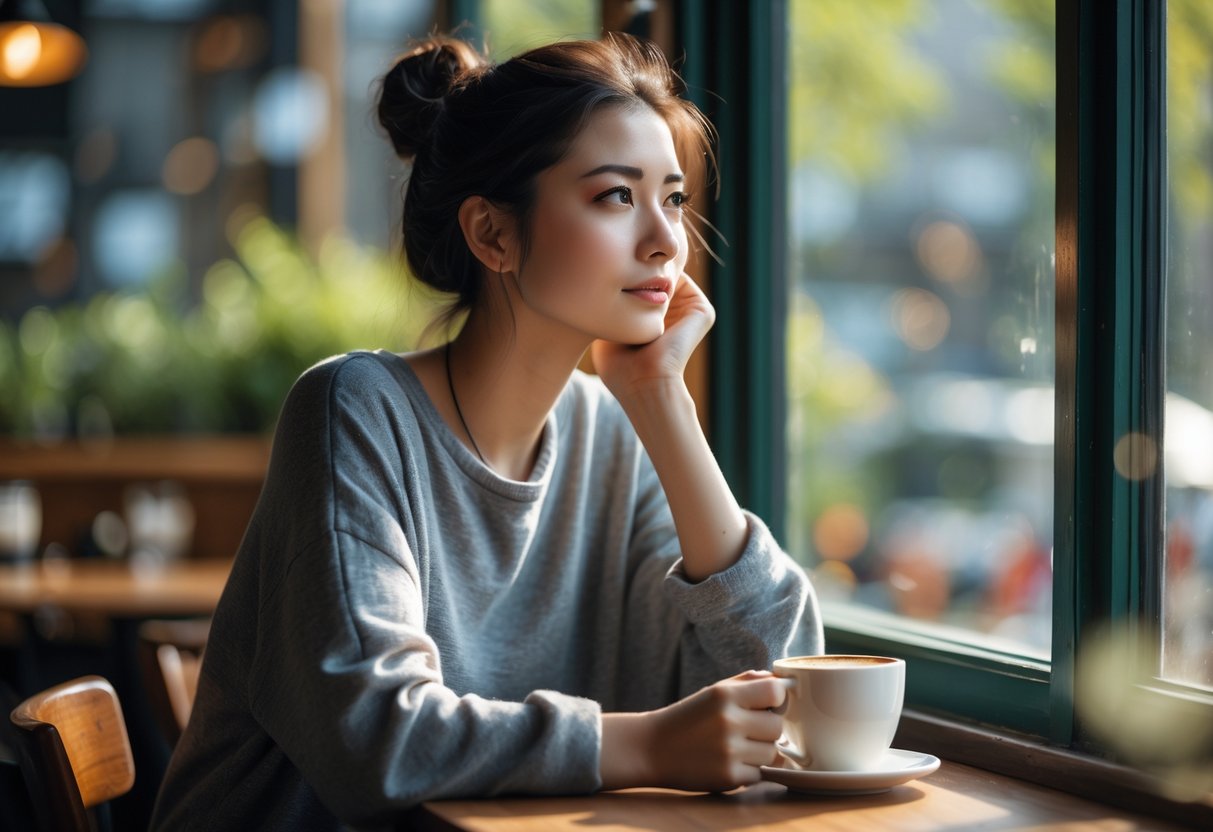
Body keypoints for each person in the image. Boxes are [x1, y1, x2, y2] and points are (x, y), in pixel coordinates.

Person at [150, 31, 821, 831]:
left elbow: (784, 684)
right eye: (616, 195)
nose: (666, 241)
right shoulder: (353, 410)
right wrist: (642, 746)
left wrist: (662, 403)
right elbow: (376, 737)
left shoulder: (614, 432)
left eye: (671, 198)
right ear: (492, 234)